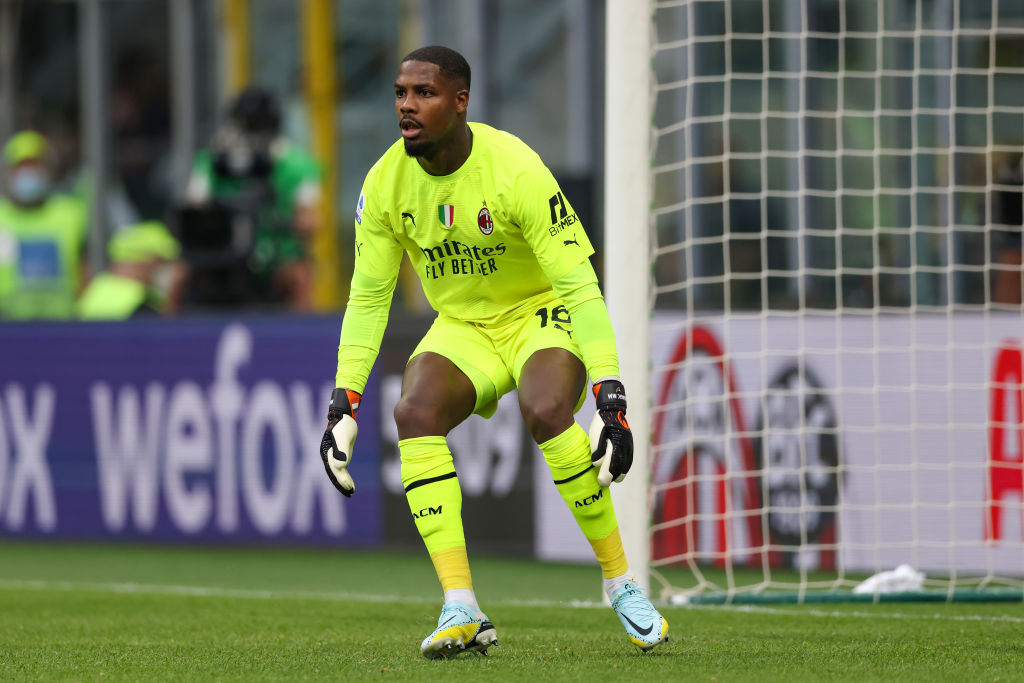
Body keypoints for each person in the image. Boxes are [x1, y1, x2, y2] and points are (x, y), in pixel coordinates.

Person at [319, 46, 668, 659]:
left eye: (424, 93)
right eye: (400, 93)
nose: (406, 105)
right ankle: (462, 606)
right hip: (463, 324)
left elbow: (579, 286)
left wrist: (610, 398)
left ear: (460, 102)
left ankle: (621, 583)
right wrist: (343, 401)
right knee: (413, 412)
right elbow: (369, 298)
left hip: (537, 312)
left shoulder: (516, 168)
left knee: (546, 408)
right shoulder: (383, 184)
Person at [184, 86, 321, 310]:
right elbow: (194, 209)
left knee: (300, 275)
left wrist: (281, 222)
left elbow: (310, 220)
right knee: (178, 274)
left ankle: (302, 331)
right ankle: (169, 331)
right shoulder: (212, 161)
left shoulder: (296, 164)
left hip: (275, 255)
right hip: (222, 254)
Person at [0, 131, 88, 320]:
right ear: (8, 171)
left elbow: (87, 270)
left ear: (49, 170)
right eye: (21, 166)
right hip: (6, 325)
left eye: (35, 165)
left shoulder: (72, 214)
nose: (27, 173)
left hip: (64, 323)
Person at [76, 221, 184, 320]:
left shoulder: (97, 287)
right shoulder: (138, 301)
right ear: (146, 260)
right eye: (161, 261)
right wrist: (173, 295)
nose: (164, 268)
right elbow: (163, 332)